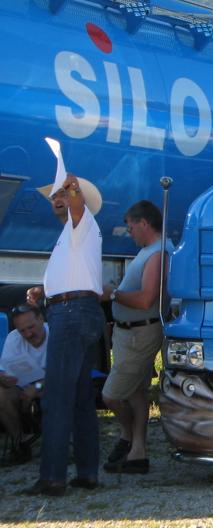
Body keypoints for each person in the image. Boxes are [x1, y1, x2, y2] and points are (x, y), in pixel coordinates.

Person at [23, 173, 106, 497]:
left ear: (76, 197)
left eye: (63, 194)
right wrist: (44, 291)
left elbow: (77, 207)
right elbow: (74, 278)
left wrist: (73, 188)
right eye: (54, 196)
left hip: (71, 314)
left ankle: (53, 477)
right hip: (78, 311)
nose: (57, 199)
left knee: (57, 396)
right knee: (81, 397)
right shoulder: (72, 235)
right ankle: (86, 473)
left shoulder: (81, 223)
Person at [101, 200, 169, 475]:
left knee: (111, 396)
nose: (129, 234)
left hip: (139, 333)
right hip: (131, 331)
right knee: (135, 392)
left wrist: (113, 294)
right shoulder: (151, 251)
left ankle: (127, 436)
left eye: (131, 228)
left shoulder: (158, 253)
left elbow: (145, 299)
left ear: (144, 223)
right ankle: (138, 451)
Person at [0, 305, 48, 465]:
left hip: (53, 384)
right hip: (23, 385)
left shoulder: (56, 334)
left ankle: (58, 441)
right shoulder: (14, 338)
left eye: (31, 327)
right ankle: (20, 442)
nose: (28, 334)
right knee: (1, 394)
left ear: (41, 319)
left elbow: (65, 372)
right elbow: (4, 369)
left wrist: (37, 388)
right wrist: (3, 378)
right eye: (22, 330)